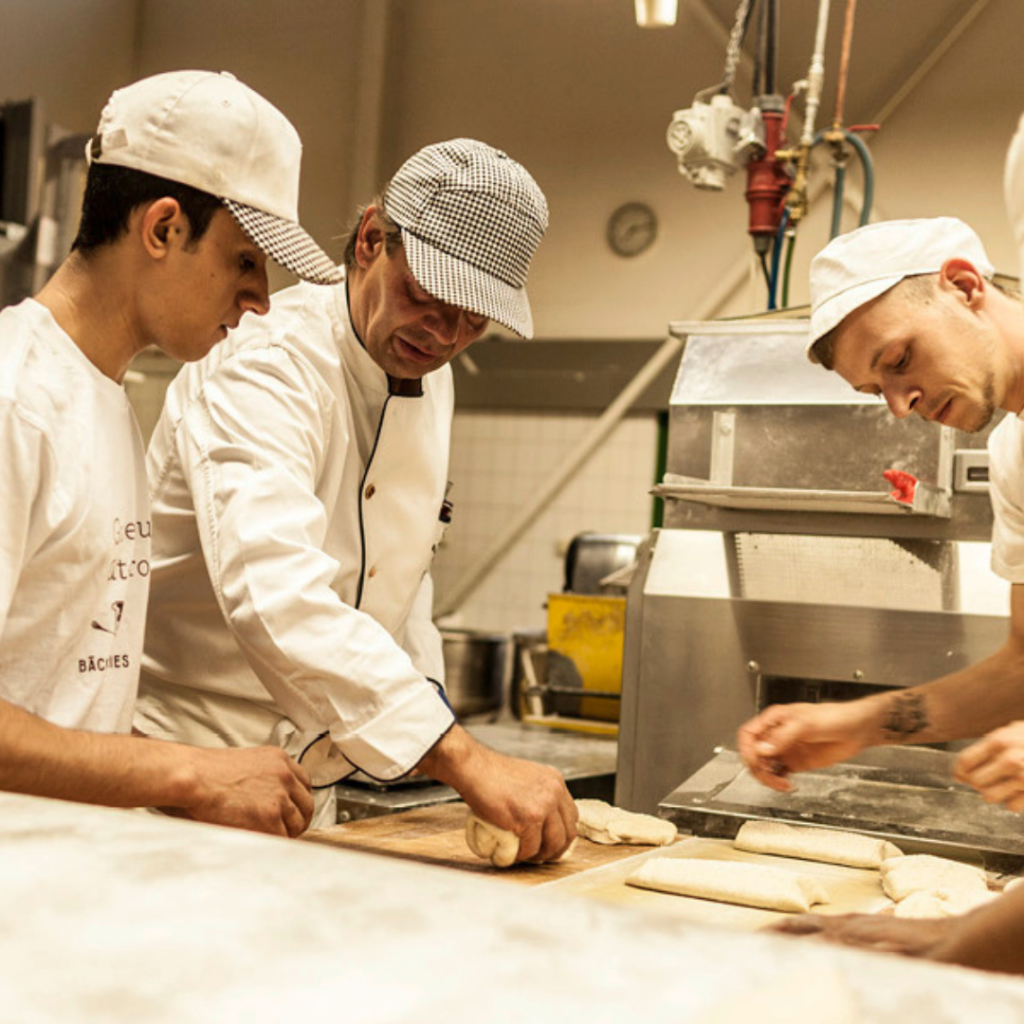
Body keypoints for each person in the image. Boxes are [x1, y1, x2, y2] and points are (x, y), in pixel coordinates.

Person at [133, 138, 578, 857]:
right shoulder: (266, 361)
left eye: (474, 320)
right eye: (427, 298)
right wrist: (459, 756)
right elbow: (274, 589)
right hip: (190, 777)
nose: (444, 334)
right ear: (371, 239)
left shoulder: (428, 368)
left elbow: (402, 582)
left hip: (309, 788)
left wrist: (425, 713)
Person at [0, 69, 344, 836]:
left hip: (63, 877)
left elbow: (56, 699)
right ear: (162, 228)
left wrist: (183, 783)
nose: (259, 298)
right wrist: (189, 771)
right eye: (246, 260)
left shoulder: (106, 400)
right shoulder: (15, 400)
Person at [738, 112, 1024, 975]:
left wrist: (956, 943)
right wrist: (857, 725)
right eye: (878, 391)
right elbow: (1023, 667)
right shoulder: (1014, 458)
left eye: (901, 361)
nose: (902, 406)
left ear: (965, 285)